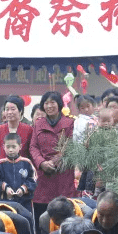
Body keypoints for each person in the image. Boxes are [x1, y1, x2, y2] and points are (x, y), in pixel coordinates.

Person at [30, 91, 76, 222]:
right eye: (46, 103)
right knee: (42, 216)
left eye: (52, 102)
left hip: (63, 175)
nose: (49, 106)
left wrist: (55, 162)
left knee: (64, 215)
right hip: (43, 177)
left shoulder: (69, 123)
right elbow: (33, 147)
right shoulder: (39, 124)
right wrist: (41, 163)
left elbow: (71, 146)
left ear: (59, 104)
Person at [0, 133, 37, 211]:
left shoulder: (27, 163)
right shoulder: (0, 164)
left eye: (14, 147)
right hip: (5, 202)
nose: (10, 150)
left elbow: (33, 179)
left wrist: (24, 188)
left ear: (20, 147)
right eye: (8, 147)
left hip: (25, 202)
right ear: (4, 147)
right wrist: (5, 187)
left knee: (25, 221)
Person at [0, 95, 34, 163]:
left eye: (13, 109)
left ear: (20, 111)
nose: (9, 112)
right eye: (7, 109)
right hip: (2, 171)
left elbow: (31, 154)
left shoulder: (29, 130)